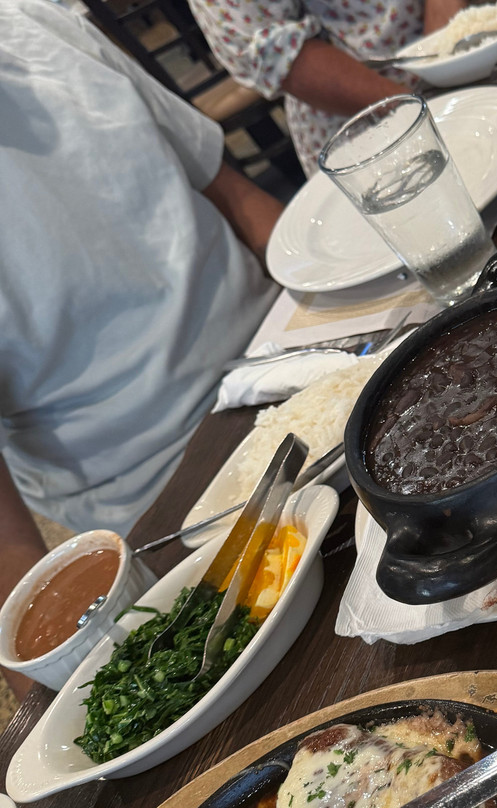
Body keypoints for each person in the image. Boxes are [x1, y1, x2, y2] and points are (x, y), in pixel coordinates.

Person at [1, 0, 286, 697]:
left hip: (290, 345)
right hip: (172, 504)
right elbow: (11, 553)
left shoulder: (36, 21)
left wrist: (357, 292)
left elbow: (241, 201)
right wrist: (52, 700)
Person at [188, 0, 467, 176]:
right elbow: (274, 49)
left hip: (462, 47)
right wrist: (423, 110)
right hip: (358, 118)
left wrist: (443, 58)